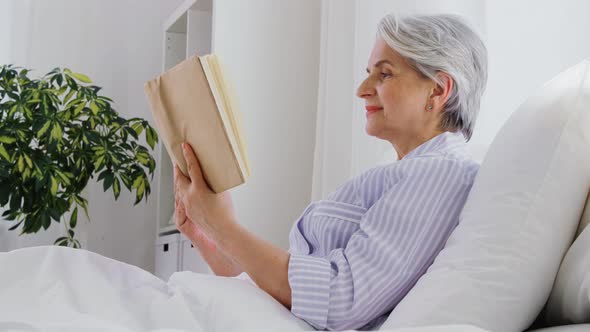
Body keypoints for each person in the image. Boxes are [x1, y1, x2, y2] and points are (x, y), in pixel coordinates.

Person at [173, 13, 487, 331]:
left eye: (385, 75)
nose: (362, 90)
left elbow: (338, 301)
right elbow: (288, 296)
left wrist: (223, 226)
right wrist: (208, 235)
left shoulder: (441, 175)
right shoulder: (405, 173)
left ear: (438, 90)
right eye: (369, 73)